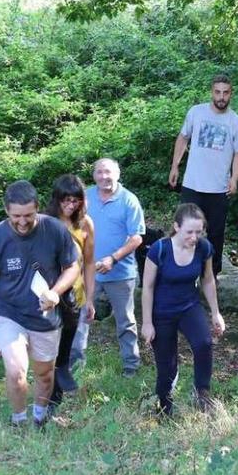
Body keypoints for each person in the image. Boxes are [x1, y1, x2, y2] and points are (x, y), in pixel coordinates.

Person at [0, 180, 79, 427]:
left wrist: (55, 292)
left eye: (28, 215)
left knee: (44, 374)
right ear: (6, 210)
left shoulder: (54, 230)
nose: (22, 222)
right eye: (16, 216)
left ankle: (39, 418)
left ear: (38, 208)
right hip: (8, 313)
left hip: (45, 316)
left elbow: (72, 267)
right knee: (16, 370)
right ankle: (18, 421)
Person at [141, 203, 225, 415]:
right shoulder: (159, 250)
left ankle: (202, 394)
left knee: (204, 343)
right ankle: (164, 407)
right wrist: (147, 323)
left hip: (189, 306)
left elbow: (207, 280)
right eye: (190, 232)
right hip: (162, 312)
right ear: (176, 227)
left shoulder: (204, 248)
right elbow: (148, 288)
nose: (194, 237)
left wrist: (216, 313)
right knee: (166, 368)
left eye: (199, 231)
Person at [168, 74, 238, 277]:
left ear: (231, 94)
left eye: (225, 92)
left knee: (215, 234)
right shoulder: (196, 112)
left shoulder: (236, 122)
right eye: (218, 92)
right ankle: (181, 268)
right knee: (184, 227)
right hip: (192, 185)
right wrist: (175, 166)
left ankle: (211, 274)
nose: (221, 96)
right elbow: (183, 137)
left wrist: (234, 179)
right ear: (212, 92)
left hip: (218, 188)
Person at [86, 158, 146, 377]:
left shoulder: (129, 200)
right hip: (88, 271)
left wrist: (113, 258)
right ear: (94, 175)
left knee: (126, 321)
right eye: (100, 172)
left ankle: (131, 367)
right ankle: (74, 366)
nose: (104, 176)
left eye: (108, 172)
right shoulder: (86, 196)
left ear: (118, 174)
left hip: (120, 273)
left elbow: (137, 238)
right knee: (81, 317)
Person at [44, 174, 96, 407]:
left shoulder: (85, 224)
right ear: (57, 199)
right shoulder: (44, 221)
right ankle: (48, 399)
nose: (70, 205)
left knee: (67, 347)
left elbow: (89, 262)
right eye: (66, 200)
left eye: (75, 201)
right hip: (48, 294)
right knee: (48, 349)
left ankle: (58, 396)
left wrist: (91, 299)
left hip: (75, 295)